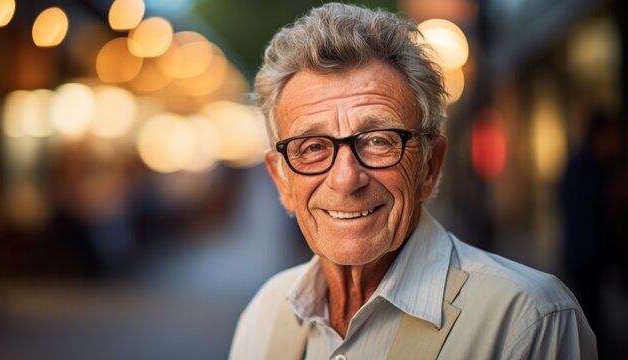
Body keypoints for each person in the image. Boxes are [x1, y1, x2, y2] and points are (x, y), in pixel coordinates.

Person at [229, 3, 597, 359]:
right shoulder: (263, 316)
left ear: (430, 166)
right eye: (312, 147)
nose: (345, 179)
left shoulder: (528, 321)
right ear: (280, 178)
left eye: (377, 141)